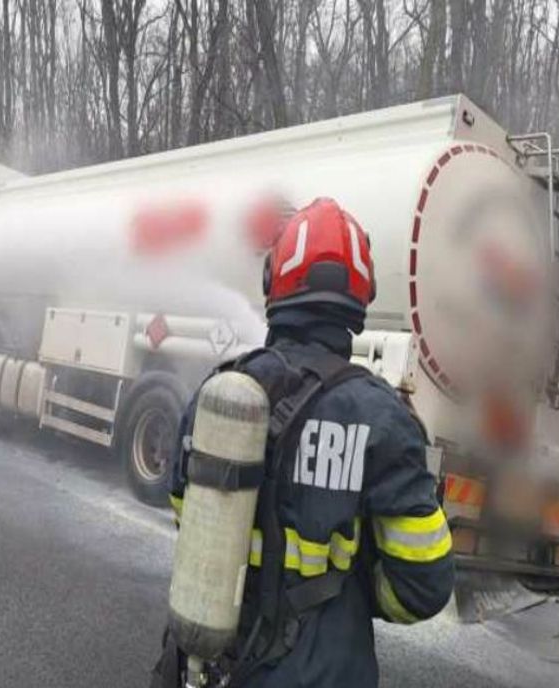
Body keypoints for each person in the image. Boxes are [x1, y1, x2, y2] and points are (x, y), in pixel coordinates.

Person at [152, 198, 455, 688]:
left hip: (210, 664)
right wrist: (351, 594)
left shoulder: (220, 392)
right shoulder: (382, 418)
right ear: (364, 295)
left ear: (274, 284)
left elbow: (184, 508)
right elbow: (425, 584)